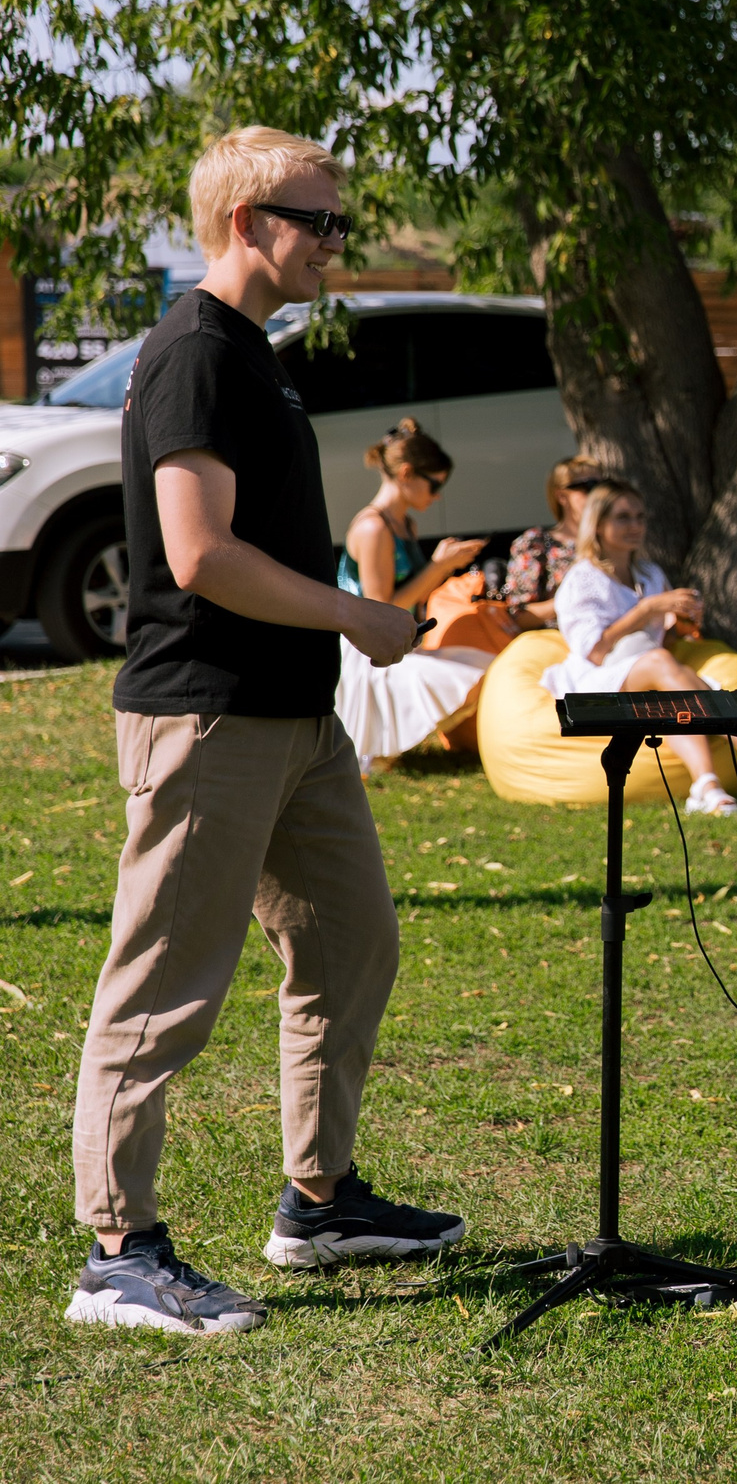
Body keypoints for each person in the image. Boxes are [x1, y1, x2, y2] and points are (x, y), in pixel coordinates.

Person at [70, 128, 465, 1338]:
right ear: (249, 222)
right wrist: (359, 613)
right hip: (208, 715)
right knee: (163, 988)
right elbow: (198, 557)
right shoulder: (195, 351)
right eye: (321, 220)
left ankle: (319, 1201)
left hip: (297, 722)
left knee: (352, 946)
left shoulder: (260, 356)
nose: (336, 241)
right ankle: (120, 1257)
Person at [540, 480, 737, 814]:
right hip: (597, 678)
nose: (635, 526)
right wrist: (648, 609)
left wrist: (682, 625)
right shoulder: (583, 578)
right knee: (660, 663)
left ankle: (705, 785)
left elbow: (661, 641)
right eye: (623, 518)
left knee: (670, 698)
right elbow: (594, 650)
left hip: (645, 670)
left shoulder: (648, 573)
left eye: (640, 517)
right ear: (598, 524)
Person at [331, 419, 497, 771]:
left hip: (397, 643)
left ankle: (385, 749)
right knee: (466, 677)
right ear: (407, 473)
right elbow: (380, 610)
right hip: (364, 654)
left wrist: (445, 566)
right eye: (434, 484)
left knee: (485, 668)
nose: (436, 496)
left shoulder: (404, 524)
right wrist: (438, 566)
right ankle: (378, 751)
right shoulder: (373, 527)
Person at [502, 455, 603, 629]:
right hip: (556, 642)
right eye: (588, 487)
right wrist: (572, 599)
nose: (598, 494)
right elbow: (518, 615)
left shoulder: (611, 538)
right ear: (562, 496)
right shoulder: (537, 542)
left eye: (602, 486)